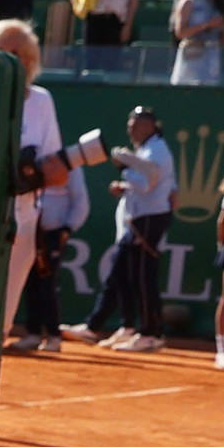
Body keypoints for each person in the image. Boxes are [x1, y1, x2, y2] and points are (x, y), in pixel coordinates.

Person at [0, 18, 66, 353]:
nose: (14, 61)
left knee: (0, 319)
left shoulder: (42, 101)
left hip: (22, 222)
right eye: (3, 52)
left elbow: (55, 168)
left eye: (21, 54)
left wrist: (35, 172)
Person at [76, 103, 178, 349]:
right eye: (129, 125)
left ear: (150, 126)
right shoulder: (146, 150)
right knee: (124, 273)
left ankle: (150, 333)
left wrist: (125, 169)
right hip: (139, 219)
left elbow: (147, 184)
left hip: (149, 219)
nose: (131, 130)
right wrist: (125, 183)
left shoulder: (156, 150)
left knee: (143, 277)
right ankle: (128, 327)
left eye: (136, 126)